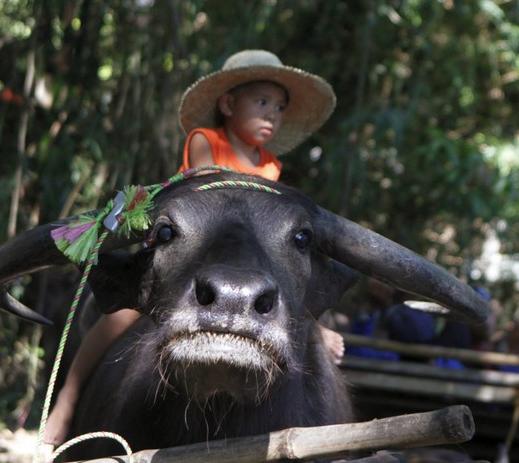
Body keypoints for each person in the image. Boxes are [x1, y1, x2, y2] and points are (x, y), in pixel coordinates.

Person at [44, 49, 340, 446]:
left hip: (254, 263)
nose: (272, 114)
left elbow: (284, 254)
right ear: (228, 103)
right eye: (262, 101)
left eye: (280, 106)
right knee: (122, 314)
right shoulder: (207, 140)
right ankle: (67, 399)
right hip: (191, 251)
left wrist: (317, 320)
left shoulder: (270, 165)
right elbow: (211, 186)